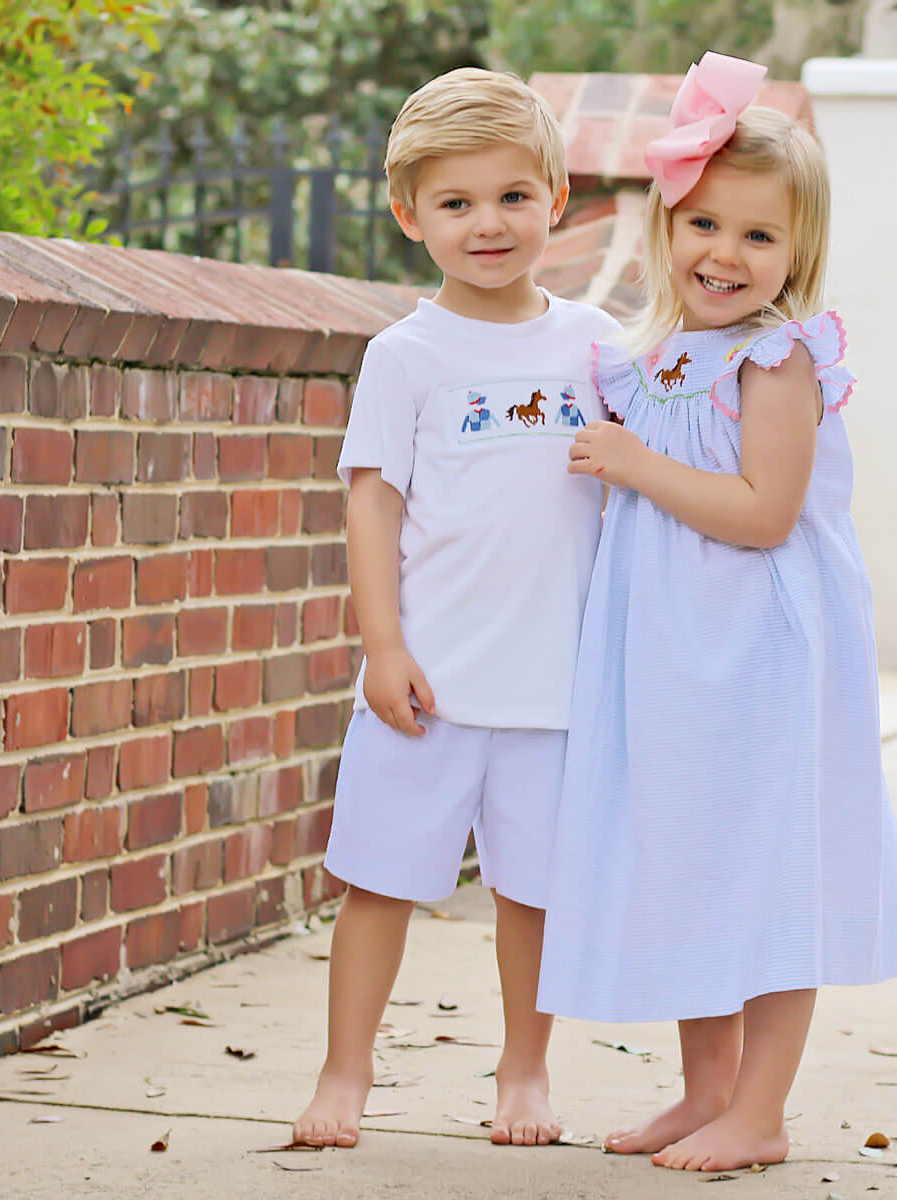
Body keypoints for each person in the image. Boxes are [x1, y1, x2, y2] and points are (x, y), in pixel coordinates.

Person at [536, 51, 897, 1173]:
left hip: (756, 653)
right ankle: (705, 1088)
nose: (727, 253)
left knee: (765, 865)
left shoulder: (778, 359)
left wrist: (628, 464)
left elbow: (764, 513)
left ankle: (760, 1111)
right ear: (667, 225)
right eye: (705, 223)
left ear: (799, 252)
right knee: (685, 857)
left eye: (760, 236)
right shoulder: (652, 359)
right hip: (664, 654)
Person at [290, 66, 622, 1151]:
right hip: (424, 685)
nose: (489, 223)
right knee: (379, 885)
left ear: (556, 197)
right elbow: (372, 504)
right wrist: (381, 647)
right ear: (409, 215)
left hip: (557, 686)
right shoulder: (407, 355)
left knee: (532, 897)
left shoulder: (597, 347)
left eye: (514, 197)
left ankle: (524, 1073)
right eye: (457, 203)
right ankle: (346, 1071)